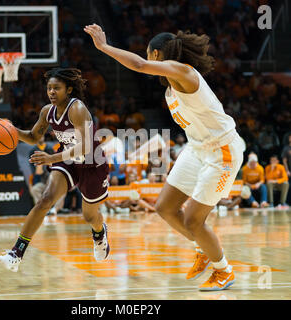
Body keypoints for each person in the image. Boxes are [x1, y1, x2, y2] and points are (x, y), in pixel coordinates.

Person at [85, 25, 244, 291]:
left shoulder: (184, 72)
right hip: (197, 148)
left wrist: (104, 47)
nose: (148, 60)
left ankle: (223, 270)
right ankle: (203, 248)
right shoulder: (171, 88)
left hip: (222, 151)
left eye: (149, 56)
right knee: (165, 207)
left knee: (194, 218)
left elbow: (137, 65)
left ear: (157, 54)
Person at [0, 68, 110, 272]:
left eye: (57, 88)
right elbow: (33, 137)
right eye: (49, 88)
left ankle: (100, 234)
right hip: (67, 160)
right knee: (45, 200)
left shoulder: (77, 109)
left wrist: (50, 158)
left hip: (92, 164)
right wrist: (10, 129)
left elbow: (84, 147)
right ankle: (16, 253)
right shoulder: (47, 111)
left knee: (90, 216)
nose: (52, 92)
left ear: (69, 90)